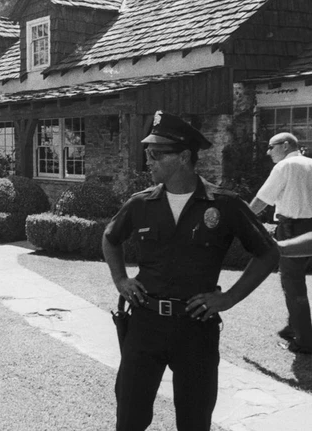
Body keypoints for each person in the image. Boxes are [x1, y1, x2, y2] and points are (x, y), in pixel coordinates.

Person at [102, 111, 279, 431]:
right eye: (148, 153)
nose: (148, 161)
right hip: (145, 324)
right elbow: (110, 238)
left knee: (194, 420)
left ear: (184, 156)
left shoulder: (224, 204)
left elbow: (268, 252)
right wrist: (120, 279)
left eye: (156, 154)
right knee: (129, 417)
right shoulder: (140, 203)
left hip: (196, 329)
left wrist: (229, 298)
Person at [248, 132, 312, 354]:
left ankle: (304, 340)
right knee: (296, 282)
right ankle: (294, 326)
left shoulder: (284, 166)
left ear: (285, 145)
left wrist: (242, 221)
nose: (268, 152)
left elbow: (261, 200)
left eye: (271, 146)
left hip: (292, 229)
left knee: (293, 284)